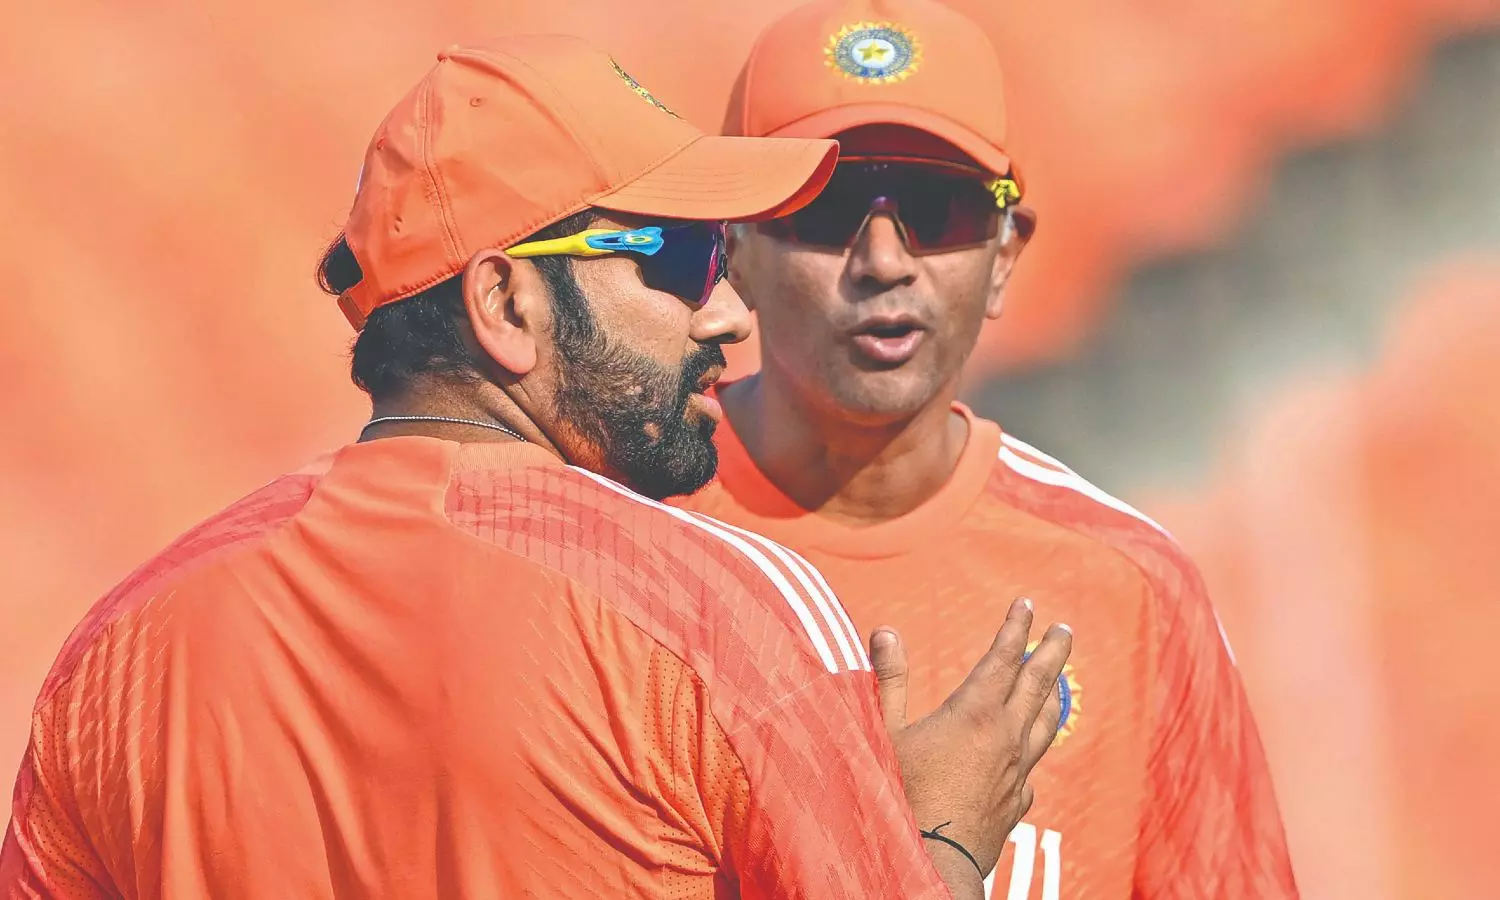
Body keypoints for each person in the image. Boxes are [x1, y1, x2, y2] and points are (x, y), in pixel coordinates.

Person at [0, 35, 1073, 900]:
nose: (727, 312)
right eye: (682, 257)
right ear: (505, 303)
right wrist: (943, 840)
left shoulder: (122, 650)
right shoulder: (713, 608)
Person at [675, 1, 1300, 898]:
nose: (884, 260)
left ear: (1005, 256)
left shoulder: (1132, 589)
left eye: (938, 207)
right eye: (830, 206)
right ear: (735, 250)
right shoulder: (619, 536)